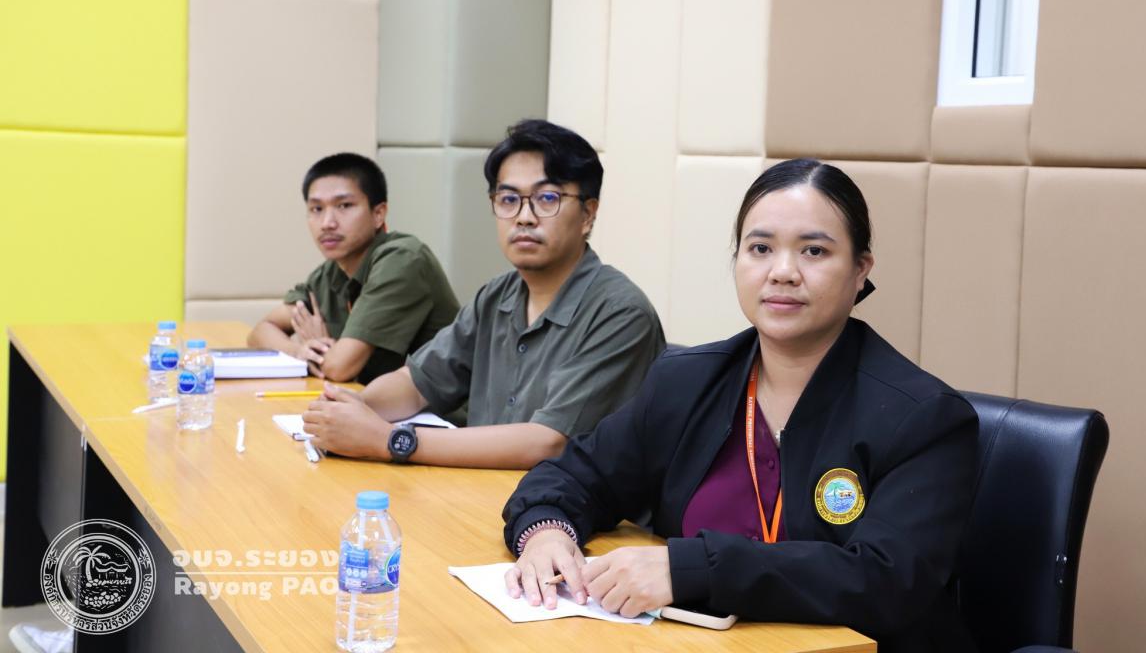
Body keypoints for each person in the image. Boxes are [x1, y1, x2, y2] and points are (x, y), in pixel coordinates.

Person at [501, 159, 980, 653]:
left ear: (861, 270)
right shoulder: (686, 382)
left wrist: (692, 569)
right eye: (760, 248)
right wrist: (546, 533)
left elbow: (886, 581)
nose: (783, 272)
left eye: (814, 251)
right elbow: (574, 476)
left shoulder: (924, 417)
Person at [302, 120, 667, 469]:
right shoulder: (496, 296)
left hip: (572, 511)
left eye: (547, 198)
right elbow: (415, 384)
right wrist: (350, 409)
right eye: (508, 199)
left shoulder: (620, 312)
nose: (524, 217)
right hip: (480, 493)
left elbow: (548, 443)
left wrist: (390, 440)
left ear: (588, 214)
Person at [248, 153, 459, 384]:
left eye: (344, 206)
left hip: (437, 407)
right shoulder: (330, 272)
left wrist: (322, 352)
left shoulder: (403, 259)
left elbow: (339, 368)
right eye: (316, 209)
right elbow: (260, 332)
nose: (327, 223)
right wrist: (301, 351)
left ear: (378, 214)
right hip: (369, 402)